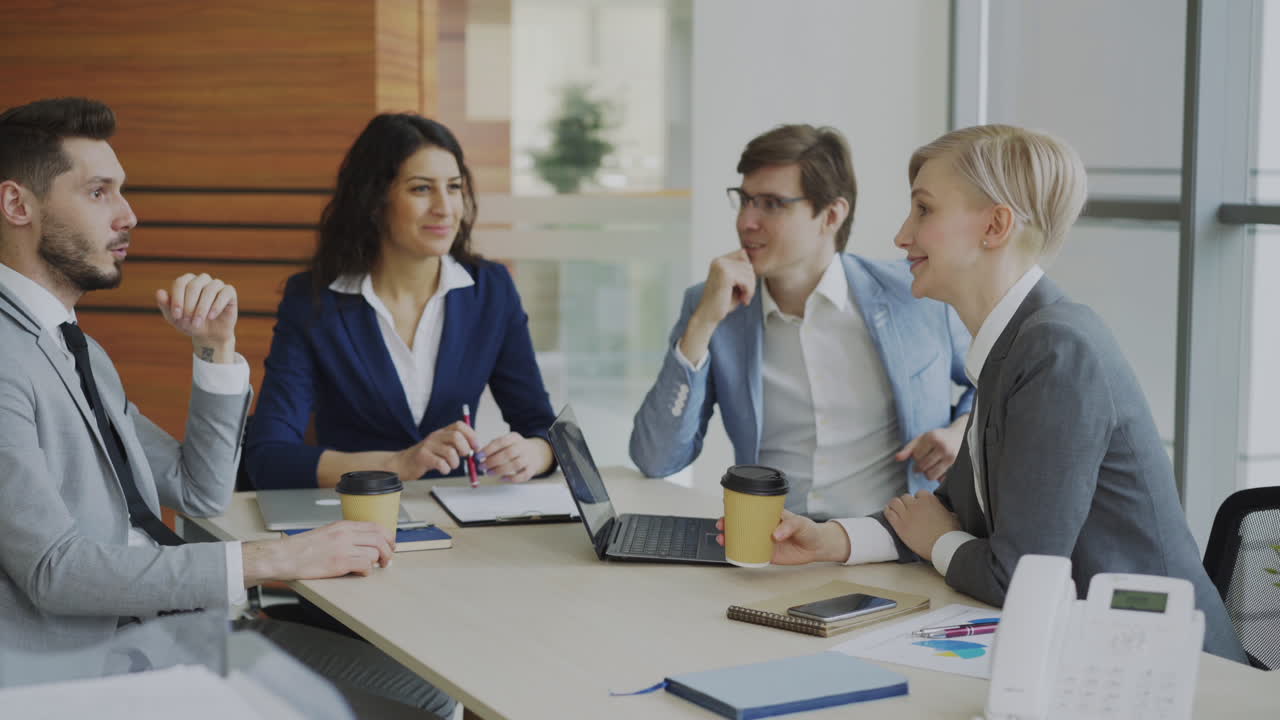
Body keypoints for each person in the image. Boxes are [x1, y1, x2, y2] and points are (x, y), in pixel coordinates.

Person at [0, 97, 456, 717]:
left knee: (428, 697)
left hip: (176, 627)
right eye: (99, 192)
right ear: (17, 205)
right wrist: (274, 558)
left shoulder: (74, 348)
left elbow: (199, 490)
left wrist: (215, 350)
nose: (128, 215)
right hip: (90, 663)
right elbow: (55, 572)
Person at [744, 124, 1248, 662]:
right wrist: (831, 540)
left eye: (924, 210)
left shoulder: (1057, 350)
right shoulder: (1013, 344)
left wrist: (938, 542)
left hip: (1173, 668)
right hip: (1089, 653)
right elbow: (948, 510)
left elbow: (1020, 578)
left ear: (995, 226)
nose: (901, 236)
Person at [630, 124, 975, 518]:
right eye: (744, 200)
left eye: (772, 204)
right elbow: (656, 458)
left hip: (893, 539)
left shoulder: (915, 294)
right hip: (770, 540)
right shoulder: (712, 306)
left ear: (831, 215)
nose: (746, 221)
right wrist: (701, 325)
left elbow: (990, 383)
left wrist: (960, 431)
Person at [245, 113, 556, 490]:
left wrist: (533, 453)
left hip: (457, 513)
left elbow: (543, 428)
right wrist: (398, 464)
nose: (445, 208)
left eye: (454, 187)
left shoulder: (490, 289)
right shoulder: (313, 302)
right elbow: (269, 457)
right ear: (374, 201)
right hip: (355, 514)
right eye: (421, 189)